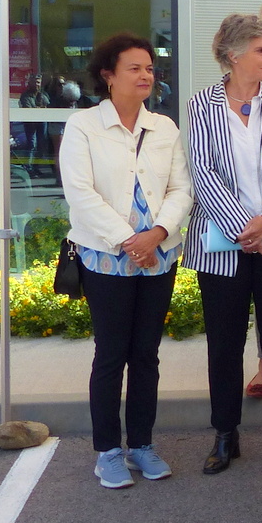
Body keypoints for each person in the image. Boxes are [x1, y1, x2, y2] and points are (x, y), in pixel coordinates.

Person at [60, 33, 193, 489]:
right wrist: (128, 240)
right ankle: (108, 452)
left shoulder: (165, 128)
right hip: (105, 257)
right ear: (108, 75)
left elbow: (181, 189)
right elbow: (80, 193)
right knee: (111, 355)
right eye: (134, 68)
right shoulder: (83, 126)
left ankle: (141, 444)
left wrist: (156, 236)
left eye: (150, 68)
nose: (145, 76)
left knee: (146, 355)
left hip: (158, 255)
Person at [183, 11, 262, 476]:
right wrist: (243, 228)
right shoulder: (200, 104)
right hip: (221, 243)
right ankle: (225, 434)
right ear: (233, 55)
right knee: (224, 342)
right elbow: (203, 173)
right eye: (261, 50)